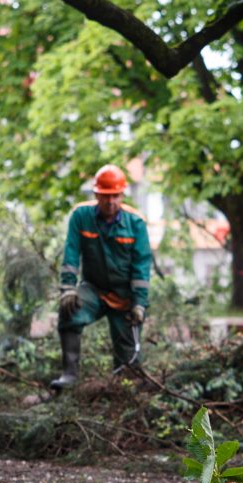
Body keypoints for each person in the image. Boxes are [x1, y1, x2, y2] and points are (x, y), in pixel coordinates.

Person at [51, 164, 152, 389]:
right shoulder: (81, 216)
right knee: (70, 309)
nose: (111, 202)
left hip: (125, 296)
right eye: (106, 196)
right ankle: (69, 375)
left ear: (123, 195)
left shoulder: (135, 223)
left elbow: (141, 266)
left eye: (116, 196)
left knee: (128, 367)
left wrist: (139, 304)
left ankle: (123, 390)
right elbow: (71, 252)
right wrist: (68, 288)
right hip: (94, 289)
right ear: (96, 194)